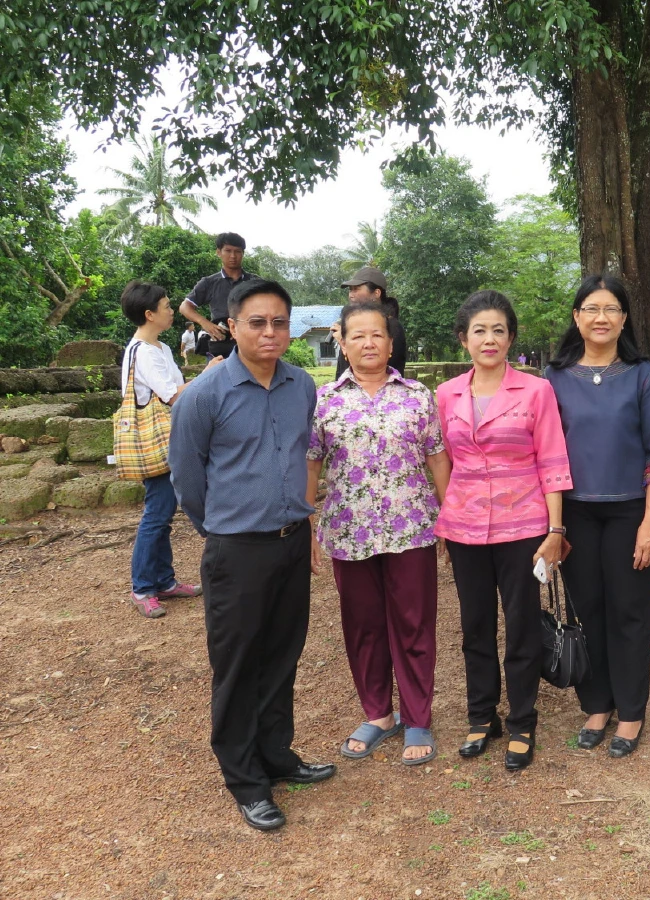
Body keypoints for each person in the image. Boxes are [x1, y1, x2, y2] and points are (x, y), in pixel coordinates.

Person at [170, 278, 336, 831]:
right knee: (238, 667)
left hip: (291, 545)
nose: (270, 332)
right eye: (258, 322)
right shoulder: (204, 396)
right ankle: (245, 779)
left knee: (283, 656)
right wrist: (223, 530)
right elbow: (188, 483)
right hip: (236, 551)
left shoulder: (301, 387)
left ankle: (276, 755)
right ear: (233, 326)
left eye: (280, 322)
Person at [546, 275, 650, 759]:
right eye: (591, 308)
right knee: (589, 611)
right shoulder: (554, 377)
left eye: (611, 309)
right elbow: (547, 452)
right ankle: (597, 704)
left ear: (624, 318)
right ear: (577, 317)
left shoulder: (643, 375)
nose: (601, 317)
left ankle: (630, 711)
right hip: (575, 513)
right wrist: (554, 526)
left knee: (629, 612)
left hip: (629, 512)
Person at [435, 291, 572, 771]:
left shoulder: (535, 391)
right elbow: (444, 463)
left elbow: (552, 459)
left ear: (511, 337)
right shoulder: (447, 394)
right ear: (464, 339)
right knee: (474, 624)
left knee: (520, 626)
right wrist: (447, 519)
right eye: (479, 330)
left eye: (498, 330)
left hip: (524, 526)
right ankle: (481, 716)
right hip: (465, 527)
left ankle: (522, 720)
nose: (489, 338)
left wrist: (555, 530)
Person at [307, 302, 450, 765]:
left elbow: (436, 458)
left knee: (413, 622)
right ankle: (378, 714)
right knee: (363, 626)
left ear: (391, 343)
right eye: (358, 336)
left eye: (377, 335)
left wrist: (450, 515)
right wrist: (307, 520)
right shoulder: (325, 400)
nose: (369, 343)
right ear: (342, 344)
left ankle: (417, 716)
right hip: (348, 531)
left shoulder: (417, 396)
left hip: (412, 528)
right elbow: (311, 462)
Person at [119, 281, 218, 619]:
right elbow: (175, 395)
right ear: (149, 314)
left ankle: (162, 580)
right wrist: (208, 373)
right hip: (157, 440)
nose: (171, 309)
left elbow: (176, 388)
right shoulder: (143, 352)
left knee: (162, 514)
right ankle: (143, 587)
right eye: (165, 305)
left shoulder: (158, 348)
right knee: (156, 515)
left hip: (168, 439)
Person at [180, 232, 252, 360]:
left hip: (249, 343)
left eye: (238, 251)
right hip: (220, 346)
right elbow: (185, 307)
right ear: (218, 252)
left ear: (243, 254)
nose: (233, 256)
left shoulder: (255, 282)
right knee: (217, 378)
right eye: (228, 251)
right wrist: (206, 323)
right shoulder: (209, 283)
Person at [336, 266, 407, 378]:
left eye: (356, 289)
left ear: (376, 293)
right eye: (350, 290)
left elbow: (376, 369)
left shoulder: (392, 326)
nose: (351, 295)